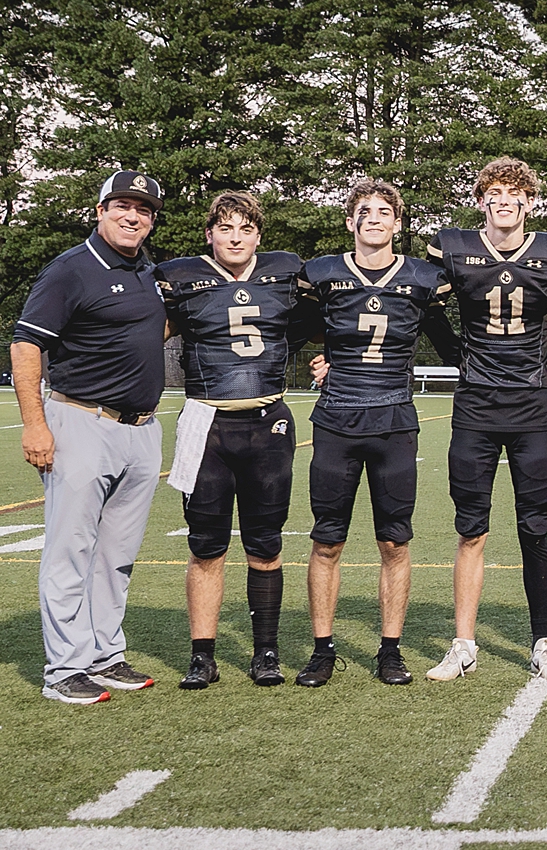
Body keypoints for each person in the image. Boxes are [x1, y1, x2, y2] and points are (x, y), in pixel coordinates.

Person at [422, 157, 547, 683]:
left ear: (530, 201)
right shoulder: (454, 247)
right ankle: (463, 643)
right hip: (475, 404)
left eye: (514, 192)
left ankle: (542, 642)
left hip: (532, 405)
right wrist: (456, 357)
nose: (504, 200)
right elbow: (420, 305)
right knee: (471, 528)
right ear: (480, 200)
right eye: (494, 192)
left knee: (534, 527)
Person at [11, 171, 170, 704]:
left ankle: (104, 655)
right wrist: (36, 423)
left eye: (143, 209)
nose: (133, 216)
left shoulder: (148, 271)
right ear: (99, 210)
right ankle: (64, 670)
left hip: (142, 429)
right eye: (122, 205)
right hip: (82, 422)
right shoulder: (71, 269)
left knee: (116, 555)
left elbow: (149, 330)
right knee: (70, 551)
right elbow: (27, 346)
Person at [156, 191, 317, 689]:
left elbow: (335, 318)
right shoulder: (181, 276)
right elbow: (143, 334)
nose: (235, 237)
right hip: (207, 424)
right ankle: (202, 655)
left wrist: (333, 358)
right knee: (206, 547)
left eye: (246, 229)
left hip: (268, 423)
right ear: (209, 233)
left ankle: (265, 652)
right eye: (226, 228)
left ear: (258, 235)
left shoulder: (285, 272)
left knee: (265, 546)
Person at [299, 180, 455, 686]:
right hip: (337, 420)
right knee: (327, 541)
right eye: (363, 211)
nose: (373, 218)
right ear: (350, 222)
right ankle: (323, 649)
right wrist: (320, 358)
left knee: (394, 541)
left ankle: (391, 650)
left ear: (397, 222)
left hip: (392, 420)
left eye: (383, 211)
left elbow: (453, 348)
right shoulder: (322, 273)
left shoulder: (422, 278)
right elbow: (288, 329)